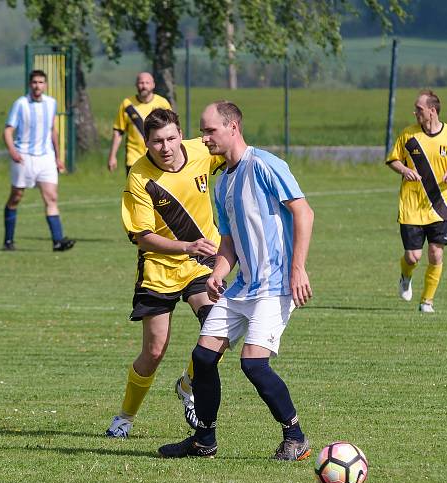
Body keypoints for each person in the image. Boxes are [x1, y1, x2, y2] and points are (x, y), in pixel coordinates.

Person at [158, 101, 314, 461]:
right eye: (202, 130)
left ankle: (296, 437)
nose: (204, 137)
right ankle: (203, 440)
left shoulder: (264, 164)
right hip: (242, 286)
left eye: (210, 130)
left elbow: (303, 212)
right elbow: (227, 240)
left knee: (253, 364)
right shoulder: (223, 182)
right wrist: (217, 273)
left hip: (275, 285)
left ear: (233, 128)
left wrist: (298, 268)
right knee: (203, 357)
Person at [106, 108, 225, 438]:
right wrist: (188, 246)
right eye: (157, 141)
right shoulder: (139, 178)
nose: (166, 146)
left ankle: (188, 382)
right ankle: (125, 417)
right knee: (154, 351)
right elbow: (143, 237)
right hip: (159, 269)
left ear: (181, 135)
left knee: (219, 328)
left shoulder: (200, 151)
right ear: (146, 142)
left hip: (200, 265)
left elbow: (231, 151)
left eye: (172, 138)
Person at [386, 90, 447, 313]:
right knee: (413, 256)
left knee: (436, 252)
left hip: (440, 204)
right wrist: (404, 169)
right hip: (411, 205)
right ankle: (406, 276)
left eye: (419, 109)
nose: (415, 112)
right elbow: (393, 159)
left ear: (432, 111)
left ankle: (427, 302)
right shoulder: (408, 135)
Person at [2, 69, 75, 252]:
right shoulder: (20, 104)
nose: (38, 86)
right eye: (34, 82)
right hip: (24, 157)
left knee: (51, 197)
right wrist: (13, 151)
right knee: (16, 196)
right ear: (29, 84)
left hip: (46, 157)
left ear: (46, 85)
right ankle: (8, 241)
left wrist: (58, 157)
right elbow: (8, 131)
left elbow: (52, 130)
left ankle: (58, 241)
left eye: (41, 82)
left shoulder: (51, 103)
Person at [107, 72, 172, 175]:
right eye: (141, 83)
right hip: (134, 158)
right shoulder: (127, 104)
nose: (144, 86)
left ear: (153, 85)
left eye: (147, 83)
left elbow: (172, 131)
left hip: (157, 156)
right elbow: (118, 132)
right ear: (136, 85)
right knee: (135, 190)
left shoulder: (163, 103)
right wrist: (112, 156)